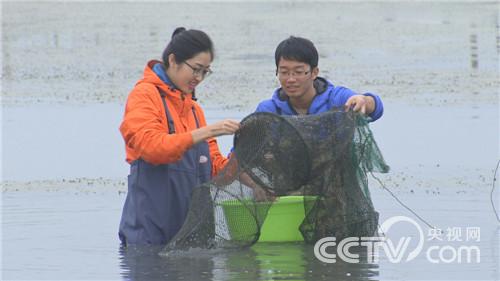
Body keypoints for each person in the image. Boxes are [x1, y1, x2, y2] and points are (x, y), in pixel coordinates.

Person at [118, 27, 240, 245]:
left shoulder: (195, 111)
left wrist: (243, 158)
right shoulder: (144, 95)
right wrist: (209, 131)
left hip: (193, 239)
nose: (199, 78)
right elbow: (152, 148)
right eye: (196, 69)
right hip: (148, 241)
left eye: (205, 71)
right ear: (173, 60)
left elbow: (215, 170)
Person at [256, 36, 383, 120]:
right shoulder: (268, 111)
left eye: (298, 72)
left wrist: (364, 101)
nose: (291, 79)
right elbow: (242, 151)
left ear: (314, 72)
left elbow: (376, 108)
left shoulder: (336, 99)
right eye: (284, 72)